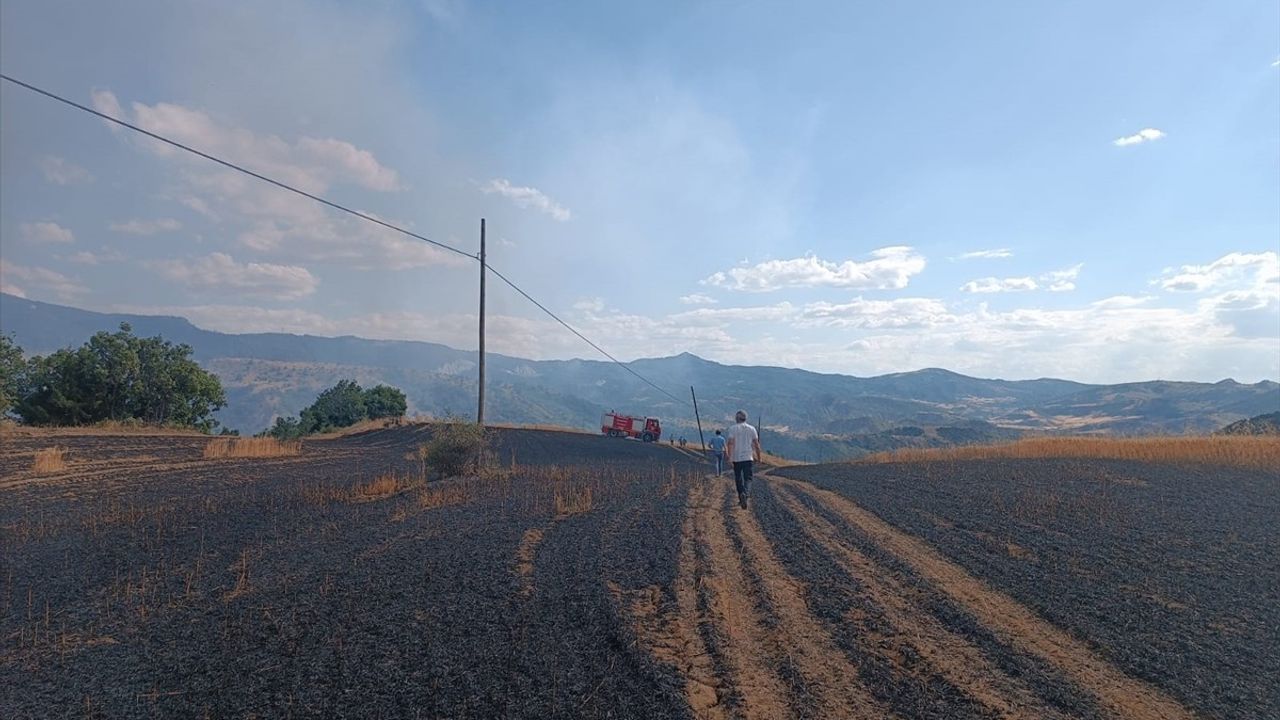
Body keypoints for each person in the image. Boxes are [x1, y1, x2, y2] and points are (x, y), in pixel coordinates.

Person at [725, 410, 761, 509]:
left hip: (736, 458)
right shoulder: (752, 429)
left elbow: (730, 443)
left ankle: (741, 494)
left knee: (738, 478)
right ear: (745, 418)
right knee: (748, 478)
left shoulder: (733, 428)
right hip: (748, 457)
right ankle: (745, 494)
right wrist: (759, 457)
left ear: (737, 418)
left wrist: (730, 457)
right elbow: (756, 445)